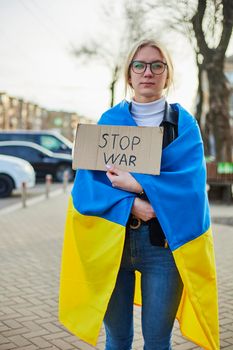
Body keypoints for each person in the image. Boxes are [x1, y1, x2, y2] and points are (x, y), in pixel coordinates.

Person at [59, 39, 219, 350]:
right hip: (113, 244)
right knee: (117, 339)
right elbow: (88, 187)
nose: (148, 72)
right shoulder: (109, 122)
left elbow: (191, 188)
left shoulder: (184, 125)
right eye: (140, 65)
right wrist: (133, 203)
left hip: (163, 246)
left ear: (167, 75)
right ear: (129, 74)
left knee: (158, 341)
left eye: (157, 65)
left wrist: (139, 185)